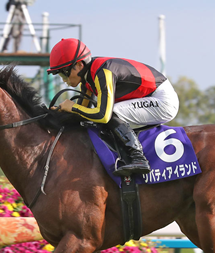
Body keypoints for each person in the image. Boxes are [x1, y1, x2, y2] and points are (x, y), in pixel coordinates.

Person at [47, 38, 179, 176]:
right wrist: (57, 114)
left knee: (112, 112)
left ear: (79, 65)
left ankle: (138, 158)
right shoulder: (87, 80)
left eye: (64, 72)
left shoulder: (102, 72)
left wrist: (72, 107)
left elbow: (103, 116)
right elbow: (80, 115)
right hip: (150, 97)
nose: (63, 79)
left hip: (163, 100)